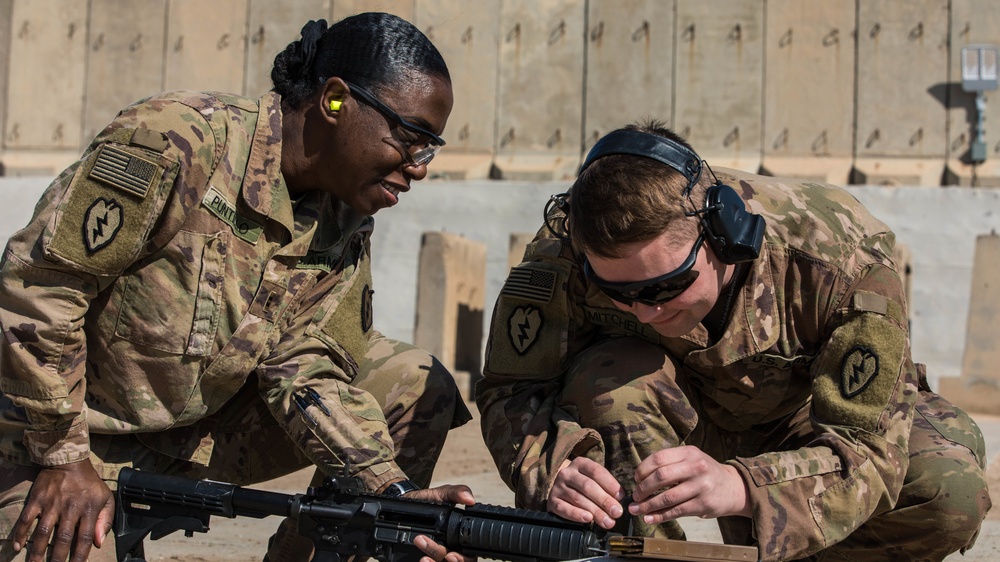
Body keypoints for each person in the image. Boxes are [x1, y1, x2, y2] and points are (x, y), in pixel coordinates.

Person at [0, 13, 475, 562]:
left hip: (199, 432)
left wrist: (388, 493)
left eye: (427, 150)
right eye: (409, 139)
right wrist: (62, 456)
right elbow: (38, 288)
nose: (417, 168)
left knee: (414, 382)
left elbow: (305, 365)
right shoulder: (179, 140)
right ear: (336, 101)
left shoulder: (344, 217)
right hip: (61, 434)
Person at [476, 121, 991, 561]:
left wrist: (743, 486)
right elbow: (512, 389)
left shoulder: (838, 254)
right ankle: (642, 555)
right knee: (612, 381)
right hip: (671, 421)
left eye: (667, 285)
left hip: (807, 425)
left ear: (726, 235)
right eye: (619, 292)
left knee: (949, 491)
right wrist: (555, 468)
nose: (647, 310)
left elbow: (869, 449)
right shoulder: (561, 256)